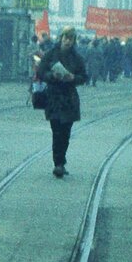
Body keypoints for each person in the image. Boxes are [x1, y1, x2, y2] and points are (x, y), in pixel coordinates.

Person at [36, 26, 87, 177]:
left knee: (65, 133)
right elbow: (40, 72)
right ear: (61, 38)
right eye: (65, 38)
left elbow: (84, 76)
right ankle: (58, 163)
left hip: (69, 98)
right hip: (53, 97)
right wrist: (52, 76)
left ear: (73, 41)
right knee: (56, 131)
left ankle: (61, 160)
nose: (67, 41)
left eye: (70, 39)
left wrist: (73, 78)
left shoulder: (77, 58)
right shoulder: (51, 54)